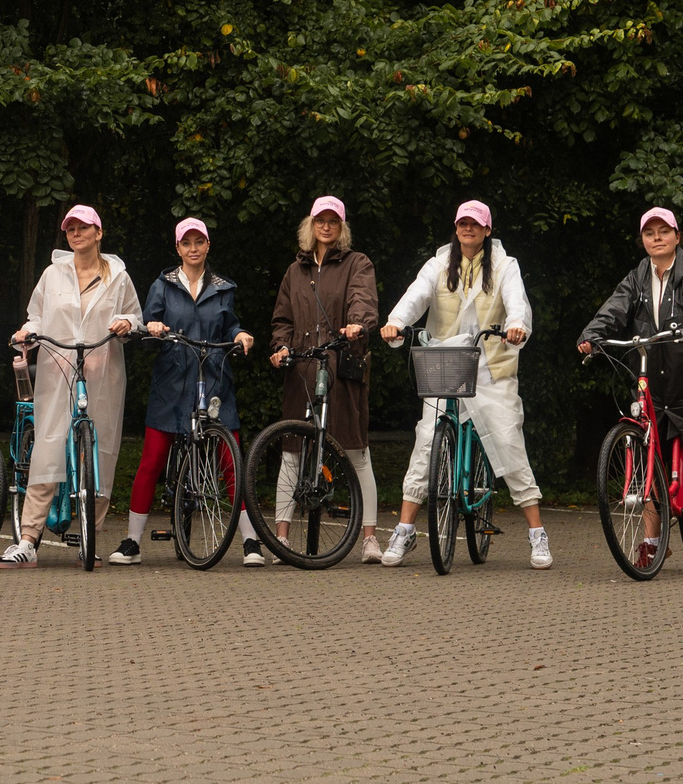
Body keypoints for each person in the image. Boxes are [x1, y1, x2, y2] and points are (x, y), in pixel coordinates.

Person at [378, 200, 551, 570]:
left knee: (508, 441)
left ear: (487, 230)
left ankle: (537, 534)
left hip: (491, 364)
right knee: (427, 441)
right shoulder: (438, 264)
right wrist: (396, 321)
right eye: (462, 223)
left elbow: (516, 301)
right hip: (446, 363)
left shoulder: (505, 265)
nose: (468, 229)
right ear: (456, 228)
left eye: (475, 224)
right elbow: (416, 295)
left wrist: (517, 324)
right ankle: (405, 529)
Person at [577, 207, 683, 572]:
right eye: (649, 232)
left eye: (664, 231)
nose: (656, 238)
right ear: (642, 239)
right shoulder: (636, 278)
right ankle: (651, 542)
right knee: (646, 458)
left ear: (677, 237)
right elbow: (614, 308)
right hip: (654, 379)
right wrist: (593, 335)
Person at [0, 205, 139, 569]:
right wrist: (28, 331)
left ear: (98, 233)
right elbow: (37, 315)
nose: (76, 233)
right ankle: (28, 539)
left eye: (83, 227)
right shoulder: (53, 274)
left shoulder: (118, 275)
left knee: (101, 447)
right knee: (47, 446)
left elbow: (134, 316)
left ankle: (90, 535)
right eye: (70, 228)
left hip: (101, 368)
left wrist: (125, 323)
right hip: (58, 368)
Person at [116, 217, 261, 566]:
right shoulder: (162, 285)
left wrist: (241, 335)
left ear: (207, 245)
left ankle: (251, 542)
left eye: (199, 242)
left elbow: (232, 325)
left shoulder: (223, 287)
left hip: (214, 380)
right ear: (177, 247)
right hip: (172, 383)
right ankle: (131, 542)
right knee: (151, 460)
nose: (193, 248)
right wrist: (152, 326)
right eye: (186, 243)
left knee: (231, 462)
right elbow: (147, 325)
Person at [266, 195, 382, 561]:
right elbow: (282, 319)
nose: (326, 226)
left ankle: (369, 540)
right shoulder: (293, 271)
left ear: (342, 226)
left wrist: (357, 325)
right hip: (301, 367)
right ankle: (282, 537)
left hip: (342, 366)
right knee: (292, 451)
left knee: (355, 450)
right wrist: (281, 346)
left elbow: (364, 300)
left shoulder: (357, 263)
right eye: (320, 220)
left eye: (333, 220)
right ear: (311, 225)